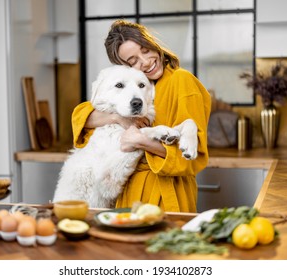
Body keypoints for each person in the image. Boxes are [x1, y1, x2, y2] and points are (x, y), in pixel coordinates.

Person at [71, 19, 211, 212]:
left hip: (166, 194)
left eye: (145, 50)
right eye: (133, 61)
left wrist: (140, 142)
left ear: (152, 43)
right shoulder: (138, 89)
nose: (145, 62)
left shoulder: (182, 80)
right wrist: (118, 118)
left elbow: (192, 158)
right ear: (125, 68)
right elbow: (82, 116)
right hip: (128, 193)